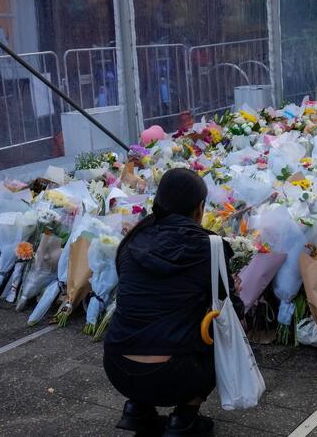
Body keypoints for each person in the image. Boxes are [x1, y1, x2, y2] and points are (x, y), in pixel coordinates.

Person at [103, 168, 244, 436]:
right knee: (220, 329)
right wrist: (234, 293)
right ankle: (185, 419)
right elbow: (229, 314)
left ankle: (138, 408)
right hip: (175, 373)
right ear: (199, 208)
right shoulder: (208, 247)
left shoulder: (133, 240)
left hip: (117, 365)